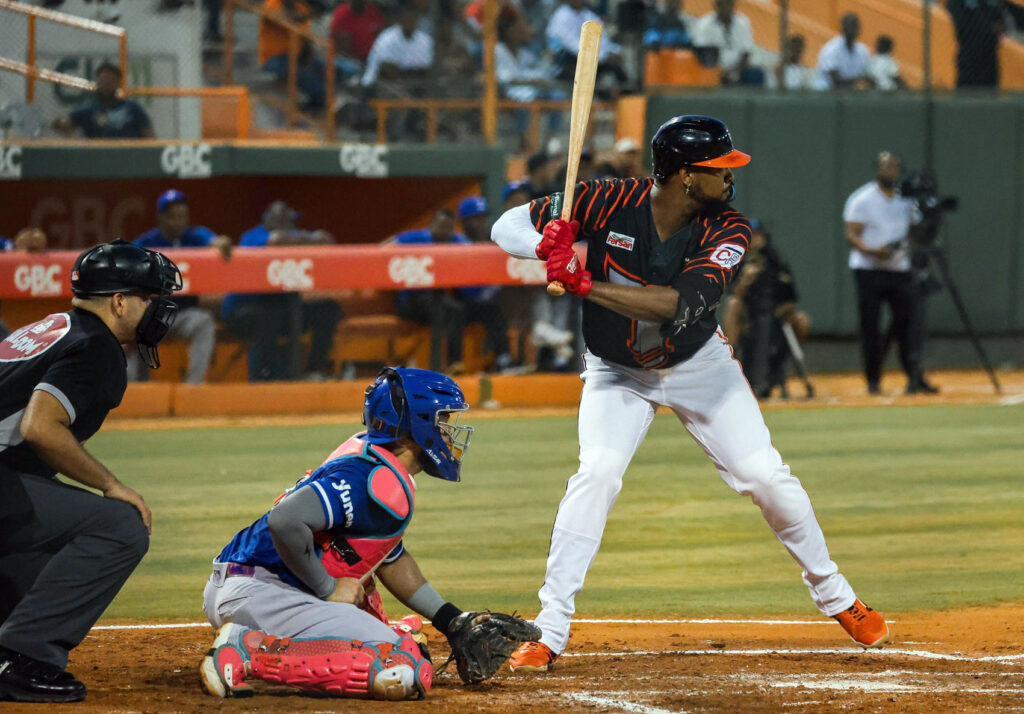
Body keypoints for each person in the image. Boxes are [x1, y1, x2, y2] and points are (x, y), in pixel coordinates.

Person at [491, 114, 890, 672]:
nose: (729, 177)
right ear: (683, 175)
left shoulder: (729, 229)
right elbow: (506, 225)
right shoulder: (609, 198)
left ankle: (836, 595)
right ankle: (550, 628)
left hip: (697, 364)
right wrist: (543, 244)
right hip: (615, 370)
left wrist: (582, 281)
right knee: (597, 474)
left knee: (763, 475)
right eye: (718, 168)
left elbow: (675, 305)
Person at [199, 367, 537, 701]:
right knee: (400, 666)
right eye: (444, 421)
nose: (450, 432)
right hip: (262, 593)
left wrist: (450, 619)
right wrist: (327, 587)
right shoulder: (371, 480)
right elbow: (285, 520)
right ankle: (248, 651)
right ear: (417, 426)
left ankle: (288, 638)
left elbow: (390, 558)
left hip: (252, 585)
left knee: (403, 646)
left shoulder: (372, 459)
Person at [0, 241, 181, 703]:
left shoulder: (53, 327)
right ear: (119, 302)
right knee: (120, 525)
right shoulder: (97, 346)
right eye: (148, 298)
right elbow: (40, 427)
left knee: (50, 523)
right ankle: (22, 657)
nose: (157, 309)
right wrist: (111, 484)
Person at [844, 151, 936, 395]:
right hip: (868, 269)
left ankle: (913, 375)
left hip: (899, 269)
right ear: (877, 168)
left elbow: (917, 231)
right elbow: (851, 233)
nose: (890, 170)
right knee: (870, 326)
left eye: (894, 166)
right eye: (885, 166)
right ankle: (873, 379)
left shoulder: (906, 201)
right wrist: (874, 251)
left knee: (907, 323)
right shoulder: (862, 199)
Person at [221, 201, 342, 381]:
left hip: (282, 309)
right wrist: (307, 239)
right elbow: (276, 241)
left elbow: (326, 239)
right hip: (242, 311)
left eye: (290, 220)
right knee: (269, 316)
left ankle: (313, 371)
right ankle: (263, 380)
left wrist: (305, 238)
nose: (290, 224)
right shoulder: (253, 236)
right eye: (284, 219)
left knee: (327, 309)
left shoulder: (294, 237)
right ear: (269, 219)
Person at [391, 209, 516, 374]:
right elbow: (384, 248)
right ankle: (444, 366)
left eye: (448, 227)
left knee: (488, 308)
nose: (444, 230)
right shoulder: (414, 238)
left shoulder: (457, 241)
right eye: (441, 225)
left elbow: (477, 254)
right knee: (449, 309)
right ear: (431, 225)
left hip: (443, 299)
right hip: (412, 300)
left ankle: (503, 360)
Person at [131, 189, 232, 383]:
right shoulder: (146, 242)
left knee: (204, 322)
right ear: (161, 218)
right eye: (172, 216)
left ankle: (193, 388)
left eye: (182, 216)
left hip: (185, 314)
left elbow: (217, 241)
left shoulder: (196, 236)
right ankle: (138, 389)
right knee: (133, 325)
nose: (178, 221)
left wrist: (222, 243)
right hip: (154, 314)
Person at [721, 220, 810, 398]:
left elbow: (790, 299)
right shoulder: (739, 263)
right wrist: (745, 281)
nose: (754, 240)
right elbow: (734, 294)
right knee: (733, 304)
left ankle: (782, 367)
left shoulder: (776, 262)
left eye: (757, 236)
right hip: (747, 315)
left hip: (776, 315)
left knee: (801, 320)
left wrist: (779, 312)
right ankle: (729, 356)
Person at [52, 63, 154, 139]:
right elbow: (65, 123)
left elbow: (148, 133)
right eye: (103, 81)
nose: (106, 85)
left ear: (118, 84)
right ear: (98, 83)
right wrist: (63, 123)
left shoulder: (132, 108)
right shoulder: (89, 109)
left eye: (110, 82)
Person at [546, 0, 625, 93]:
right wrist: (603, 56)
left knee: (616, 70)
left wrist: (614, 51)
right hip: (568, 63)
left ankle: (626, 97)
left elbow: (602, 38)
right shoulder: (561, 16)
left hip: (593, 59)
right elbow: (572, 45)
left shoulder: (588, 15)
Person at [361, 1, 433, 87]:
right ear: (400, 20)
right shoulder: (387, 38)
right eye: (408, 18)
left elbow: (425, 70)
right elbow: (388, 71)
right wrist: (413, 71)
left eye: (414, 18)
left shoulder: (425, 40)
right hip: (377, 83)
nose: (411, 21)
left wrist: (405, 71)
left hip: (408, 85)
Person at [692, 0, 759, 86]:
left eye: (728, 4)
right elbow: (702, 53)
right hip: (714, 70)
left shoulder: (743, 22)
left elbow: (746, 52)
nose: (725, 8)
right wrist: (721, 73)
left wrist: (735, 72)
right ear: (715, 5)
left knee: (756, 74)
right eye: (722, 4)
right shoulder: (704, 24)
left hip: (738, 69)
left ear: (734, 5)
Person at [947, 0, 1005, 88]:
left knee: (989, 89)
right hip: (969, 56)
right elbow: (962, 27)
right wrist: (989, 29)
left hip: (989, 57)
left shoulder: (990, 3)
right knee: (968, 88)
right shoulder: (958, 2)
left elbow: (999, 22)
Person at [815, 13, 873, 90]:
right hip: (828, 93)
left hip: (853, 93)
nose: (853, 29)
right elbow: (836, 81)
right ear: (842, 28)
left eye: (855, 26)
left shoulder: (863, 50)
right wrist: (857, 82)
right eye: (850, 26)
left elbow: (868, 78)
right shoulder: (831, 49)